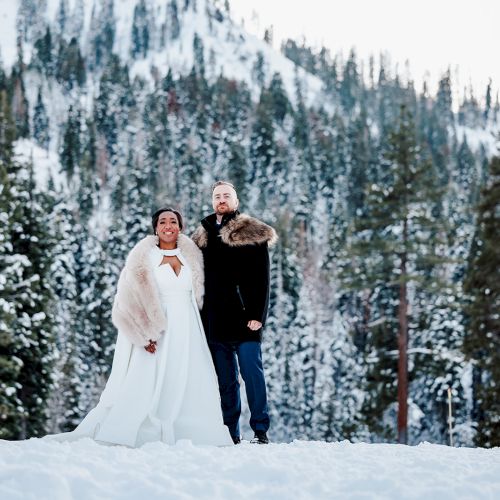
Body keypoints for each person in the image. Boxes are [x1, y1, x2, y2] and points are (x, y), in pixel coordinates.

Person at [49, 208, 232, 447]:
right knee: (147, 380)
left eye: (173, 221)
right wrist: (145, 334)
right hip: (157, 326)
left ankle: (191, 429)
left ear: (181, 227)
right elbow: (127, 299)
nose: (168, 226)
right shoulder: (144, 257)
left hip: (188, 327)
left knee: (190, 378)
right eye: (163, 222)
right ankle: (143, 429)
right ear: (155, 228)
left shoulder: (193, 256)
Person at [192, 181, 277, 444]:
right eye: (217, 196)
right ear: (212, 201)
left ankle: (260, 429)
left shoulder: (252, 232)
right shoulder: (202, 236)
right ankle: (230, 432)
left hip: (245, 318)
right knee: (226, 380)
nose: (221, 200)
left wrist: (257, 315)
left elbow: (262, 279)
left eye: (226, 195)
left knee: (252, 373)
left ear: (236, 201)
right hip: (214, 319)